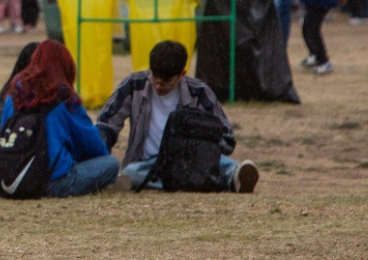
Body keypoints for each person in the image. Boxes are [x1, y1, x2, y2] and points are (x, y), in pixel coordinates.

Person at [0, 40, 121, 197]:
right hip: (51, 183)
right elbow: (92, 145)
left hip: (9, 175)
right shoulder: (65, 99)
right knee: (110, 164)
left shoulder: (14, 94)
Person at [96, 40, 259, 193]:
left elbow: (227, 138)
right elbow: (106, 124)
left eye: (167, 83)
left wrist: (201, 151)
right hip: (147, 164)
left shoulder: (199, 92)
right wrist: (100, 155)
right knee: (132, 171)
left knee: (223, 164)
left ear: (182, 74)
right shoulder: (133, 86)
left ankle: (235, 175)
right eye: (155, 79)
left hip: (189, 161)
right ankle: (214, 181)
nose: (159, 86)